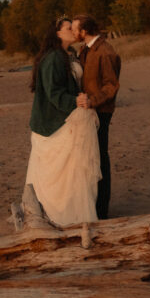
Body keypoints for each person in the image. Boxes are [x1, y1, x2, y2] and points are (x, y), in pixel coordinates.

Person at [24, 17, 101, 226]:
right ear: (57, 33)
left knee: (75, 166)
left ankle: (78, 207)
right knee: (61, 169)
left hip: (70, 113)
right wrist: (75, 100)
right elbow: (53, 93)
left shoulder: (71, 54)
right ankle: (59, 213)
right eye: (68, 28)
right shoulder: (53, 58)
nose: (73, 32)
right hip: (54, 120)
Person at [72, 14, 121, 220]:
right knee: (90, 158)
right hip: (88, 112)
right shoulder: (85, 50)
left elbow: (111, 86)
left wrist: (93, 101)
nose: (73, 32)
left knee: (100, 158)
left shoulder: (106, 51)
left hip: (101, 111)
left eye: (75, 29)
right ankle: (91, 204)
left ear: (84, 31)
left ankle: (102, 210)